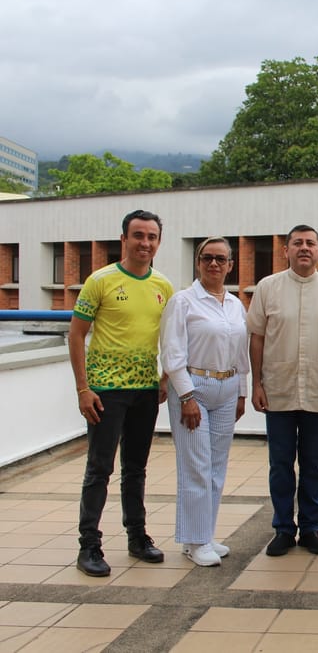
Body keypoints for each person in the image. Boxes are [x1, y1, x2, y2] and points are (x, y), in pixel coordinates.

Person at [70, 210, 174, 577]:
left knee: (136, 469)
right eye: (138, 235)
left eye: (152, 237)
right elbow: (76, 334)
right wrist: (83, 389)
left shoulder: (163, 285)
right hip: (105, 391)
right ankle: (89, 545)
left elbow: (172, 338)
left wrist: (165, 378)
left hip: (145, 390)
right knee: (100, 467)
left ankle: (137, 536)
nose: (145, 243)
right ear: (124, 239)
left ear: (159, 242)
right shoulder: (100, 281)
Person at [247, 224, 318, 557]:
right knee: (280, 463)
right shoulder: (268, 287)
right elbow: (257, 337)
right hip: (279, 389)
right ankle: (283, 529)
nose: (304, 248)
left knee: (314, 464)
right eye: (297, 243)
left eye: (311, 244)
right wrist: (256, 383)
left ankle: (310, 528)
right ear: (286, 250)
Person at [160, 237, 248, 567]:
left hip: (227, 387)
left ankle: (203, 535)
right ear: (198, 262)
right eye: (207, 258)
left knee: (216, 467)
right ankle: (196, 542)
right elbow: (171, 353)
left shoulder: (235, 304)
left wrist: (241, 392)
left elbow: (241, 352)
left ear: (230, 265)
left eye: (220, 259)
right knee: (196, 466)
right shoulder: (183, 301)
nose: (214, 264)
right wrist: (186, 396)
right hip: (193, 388)